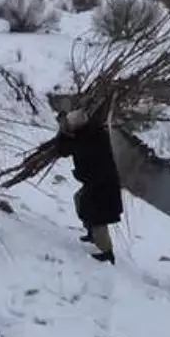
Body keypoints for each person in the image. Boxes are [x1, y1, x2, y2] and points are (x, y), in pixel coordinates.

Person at [51, 103, 122, 265]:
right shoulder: (90, 132)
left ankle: (107, 252)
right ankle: (91, 233)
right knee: (81, 201)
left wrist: (63, 132)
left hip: (102, 184)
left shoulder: (88, 137)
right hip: (98, 181)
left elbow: (64, 150)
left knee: (98, 217)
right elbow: (66, 149)